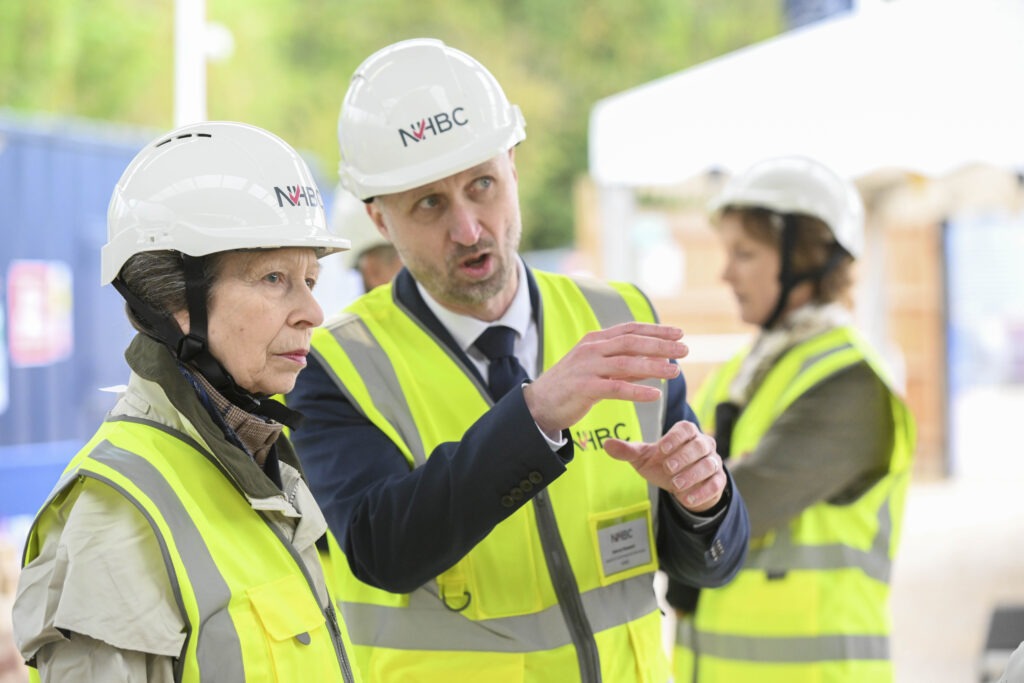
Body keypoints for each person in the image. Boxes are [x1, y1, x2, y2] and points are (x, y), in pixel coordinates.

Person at [286, 37, 749, 682]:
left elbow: (701, 564)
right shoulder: (335, 364)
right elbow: (382, 547)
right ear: (380, 219)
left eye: (483, 185)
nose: (470, 228)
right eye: (430, 203)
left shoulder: (616, 315)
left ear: (512, 166)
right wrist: (535, 416)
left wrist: (704, 504)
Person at [12, 121, 362, 682]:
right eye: (274, 278)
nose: (311, 312)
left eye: (311, 281)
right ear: (175, 301)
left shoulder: (271, 465)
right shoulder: (117, 515)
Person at [665, 155, 916, 682]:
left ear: (805, 256)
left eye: (745, 253)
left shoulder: (850, 383)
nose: (725, 272)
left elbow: (734, 506)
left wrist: (703, 482)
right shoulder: (746, 369)